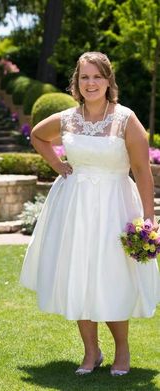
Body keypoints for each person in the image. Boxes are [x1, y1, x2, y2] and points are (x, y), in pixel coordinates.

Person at [20, 52, 160, 376]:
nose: (91, 83)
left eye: (97, 77)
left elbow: (142, 171)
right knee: (78, 274)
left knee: (112, 276)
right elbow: (38, 135)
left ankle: (122, 351)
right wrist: (57, 165)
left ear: (108, 81)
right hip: (74, 208)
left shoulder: (125, 119)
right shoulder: (68, 118)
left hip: (115, 206)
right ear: (76, 82)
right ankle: (91, 352)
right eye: (84, 77)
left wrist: (148, 221)